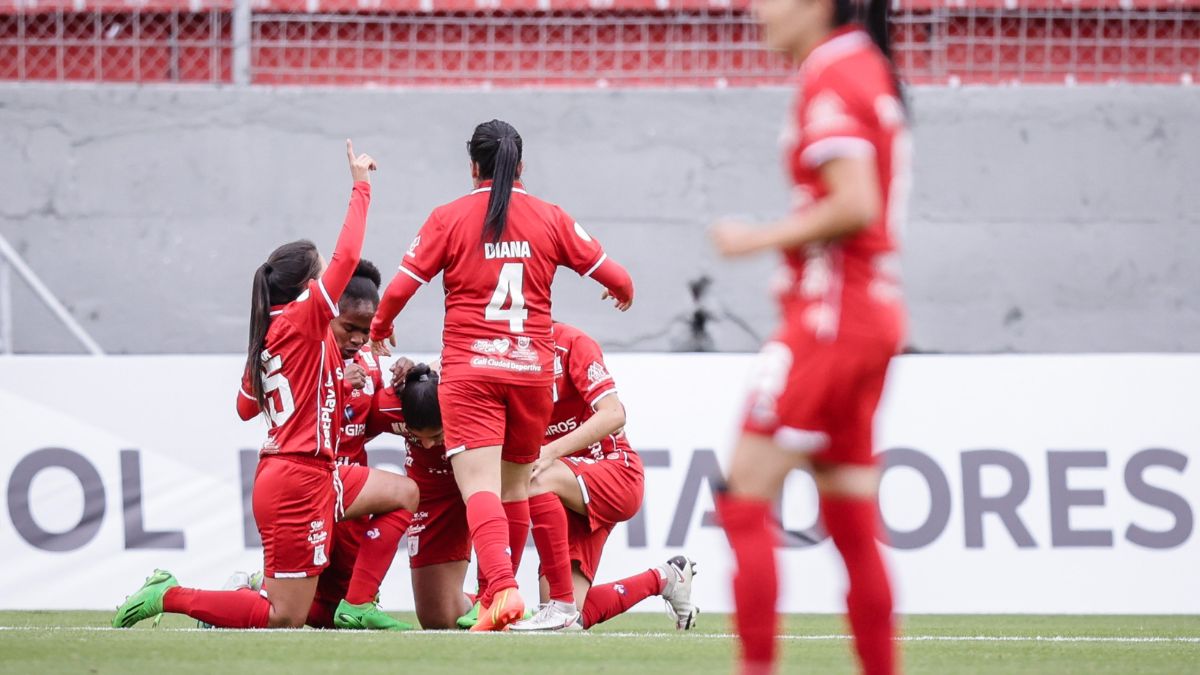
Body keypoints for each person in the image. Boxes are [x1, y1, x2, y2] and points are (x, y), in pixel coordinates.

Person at [113, 141, 420, 630]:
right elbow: (349, 255)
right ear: (306, 288)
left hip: (308, 472)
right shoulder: (302, 319)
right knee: (284, 618)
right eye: (322, 278)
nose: (330, 285)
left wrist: (333, 377)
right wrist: (361, 186)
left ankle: (356, 603)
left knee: (403, 493)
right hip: (299, 478)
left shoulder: (270, 334)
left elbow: (244, 406)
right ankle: (170, 594)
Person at [369, 119, 634, 631]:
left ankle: (502, 590)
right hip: (533, 373)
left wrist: (382, 325)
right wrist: (622, 290)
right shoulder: (551, 217)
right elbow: (614, 274)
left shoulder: (449, 216)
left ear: (473, 166)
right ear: (522, 166)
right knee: (518, 486)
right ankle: (534, 598)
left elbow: (401, 288)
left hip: (472, 371)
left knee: (480, 490)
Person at [708, 0, 910, 672]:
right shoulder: (865, 67)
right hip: (869, 318)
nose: (755, 10)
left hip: (829, 323)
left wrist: (754, 238)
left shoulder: (833, 74)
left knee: (743, 495)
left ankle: (755, 665)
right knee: (852, 518)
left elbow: (856, 204)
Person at [508, 321, 699, 632]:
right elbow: (453, 361)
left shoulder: (572, 343)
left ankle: (553, 604)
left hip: (613, 472)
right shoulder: (497, 347)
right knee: (570, 623)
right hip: (567, 493)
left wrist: (550, 452)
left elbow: (614, 414)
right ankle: (667, 577)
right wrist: (421, 368)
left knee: (535, 477)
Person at [366, 363, 477, 629]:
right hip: (433, 498)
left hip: (481, 484)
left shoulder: (470, 403)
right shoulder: (391, 404)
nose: (428, 444)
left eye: (437, 435)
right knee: (439, 620)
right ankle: (476, 604)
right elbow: (351, 426)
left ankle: (497, 596)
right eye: (417, 437)